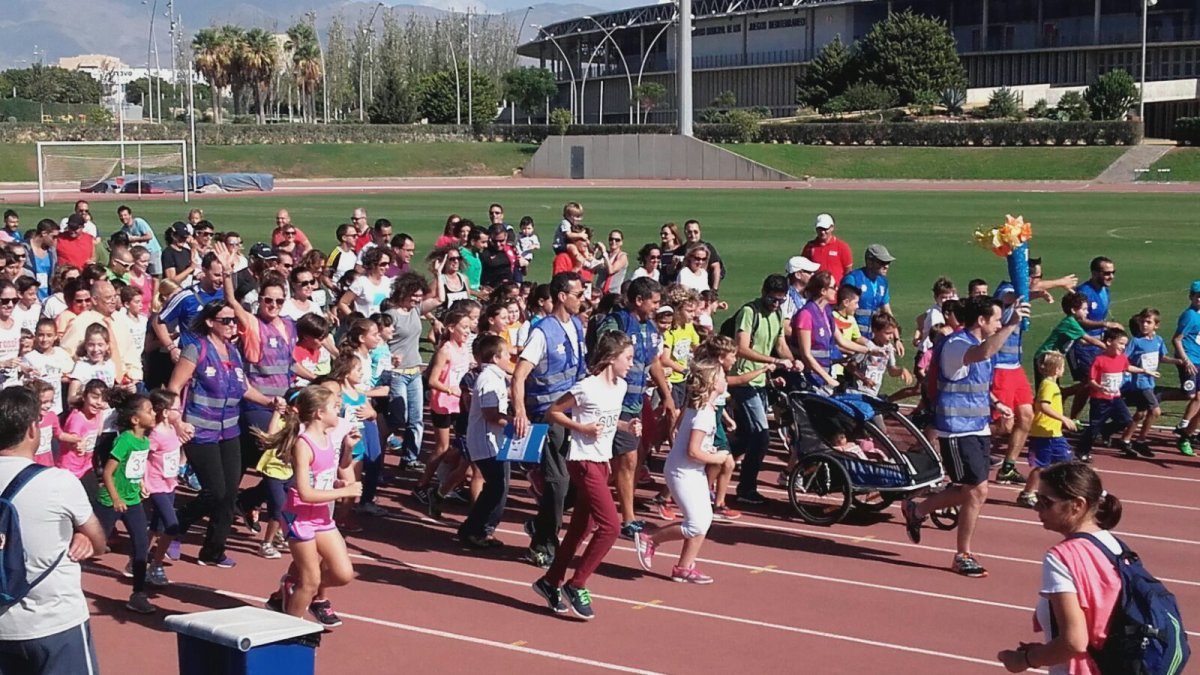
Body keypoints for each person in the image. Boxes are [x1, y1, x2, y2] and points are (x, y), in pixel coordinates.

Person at [902, 294, 1029, 578]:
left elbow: (974, 378)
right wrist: (1013, 324)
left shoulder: (977, 345)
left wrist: (996, 402)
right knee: (976, 491)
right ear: (981, 320)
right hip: (956, 428)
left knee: (970, 491)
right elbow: (982, 354)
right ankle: (962, 554)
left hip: (978, 426)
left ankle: (917, 510)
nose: (999, 325)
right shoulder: (957, 344)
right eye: (996, 320)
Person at [0, 387, 106, 674]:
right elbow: (99, 542)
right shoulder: (59, 482)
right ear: (32, 429)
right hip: (55, 622)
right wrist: (82, 534)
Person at [533, 332, 638, 620]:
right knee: (611, 527)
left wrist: (627, 426)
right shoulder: (586, 388)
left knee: (581, 528)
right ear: (612, 358)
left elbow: (608, 421)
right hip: (583, 461)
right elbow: (554, 412)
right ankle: (576, 584)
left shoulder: (620, 387)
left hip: (602, 462)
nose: (632, 363)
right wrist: (581, 429)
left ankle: (550, 581)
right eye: (628, 358)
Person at [996, 462, 1123, 675]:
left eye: (1045, 502)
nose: (1037, 507)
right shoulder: (1116, 547)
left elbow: (1074, 642)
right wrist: (1046, 650)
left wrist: (1025, 660)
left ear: (1077, 505)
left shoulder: (1061, 557)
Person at [166, 301, 263, 568]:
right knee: (215, 492)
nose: (233, 325)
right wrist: (176, 420)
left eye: (235, 321)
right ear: (210, 322)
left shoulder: (233, 351)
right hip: (199, 430)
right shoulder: (196, 349)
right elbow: (174, 387)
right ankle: (176, 523)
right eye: (227, 321)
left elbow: (245, 388)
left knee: (230, 494)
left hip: (229, 430)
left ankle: (213, 551)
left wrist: (270, 401)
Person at [262, 385, 361, 628]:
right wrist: (344, 491)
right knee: (310, 581)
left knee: (343, 574)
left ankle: (291, 588)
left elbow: (323, 475)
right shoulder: (303, 445)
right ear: (319, 413)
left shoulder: (328, 438)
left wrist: (337, 481)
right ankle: (289, 630)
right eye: (335, 408)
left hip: (322, 517)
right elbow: (305, 492)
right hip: (300, 518)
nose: (339, 412)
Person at [512, 272, 588, 568]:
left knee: (578, 483)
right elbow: (519, 375)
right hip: (547, 415)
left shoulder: (577, 326)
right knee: (557, 482)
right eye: (578, 294)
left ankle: (541, 523)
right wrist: (520, 411)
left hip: (573, 413)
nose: (583, 299)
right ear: (562, 296)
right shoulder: (542, 332)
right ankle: (543, 544)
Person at [635, 358, 732, 585]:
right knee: (695, 524)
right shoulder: (703, 414)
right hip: (683, 472)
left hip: (692, 471)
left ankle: (684, 567)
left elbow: (683, 433)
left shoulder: (701, 408)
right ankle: (651, 538)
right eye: (722, 376)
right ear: (712, 383)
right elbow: (692, 451)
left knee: (704, 519)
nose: (726, 380)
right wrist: (716, 457)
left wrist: (706, 449)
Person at [596, 277, 674, 539]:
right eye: (654, 302)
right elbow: (601, 357)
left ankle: (594, 507)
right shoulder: (616, 324)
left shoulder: (650, 328)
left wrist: (666, 395)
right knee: (626, 459)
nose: (657, 307)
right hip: (615, 402)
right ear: (639, 300)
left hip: (636, 401)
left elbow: (654, 362)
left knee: (631, 458)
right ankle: (626, 519)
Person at [730, 274, 802, 505]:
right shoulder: (749, 313)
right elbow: (741, 348)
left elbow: (780, 343)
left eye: (781, 300)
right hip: (744, 381)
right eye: (772, 299)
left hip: (761, 382)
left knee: (744, 438)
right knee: (761, 436)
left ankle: (712, 465)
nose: (776, 304)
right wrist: (773, 361)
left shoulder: (778, 314)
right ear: (763, 292)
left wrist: (793, 361)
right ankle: (746, 488)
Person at [94, 389, 158, 614]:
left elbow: (133, 468)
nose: (154, 414)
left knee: (141, 545)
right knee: (94, 545)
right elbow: (108, 473)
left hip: (132, 501)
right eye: (149, 411)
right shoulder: (125, 441)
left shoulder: (144, 441)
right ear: (135, 419)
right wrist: (115, 498)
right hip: (110, 502)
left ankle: (138, 594)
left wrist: (140, 484)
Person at [457, 334, 512, 548]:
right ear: (496, 357)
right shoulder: (489, 379)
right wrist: (514, 422)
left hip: (493, 441)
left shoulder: (496, 377)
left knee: (497, 487)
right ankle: (473, 529)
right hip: (486, 442)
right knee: (496, 487)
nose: (510, 357)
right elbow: (491, 414)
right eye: (506, 354)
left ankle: (478, 529)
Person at [385, 274, 441, 473]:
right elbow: (380, 341)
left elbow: (439, 299)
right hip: (396, 374)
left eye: (420, 295)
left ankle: (410, 458)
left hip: (414, 372)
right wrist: (389, 358)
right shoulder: (391, 315)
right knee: (398, 417)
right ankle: (383, 443)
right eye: (414, 295)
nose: (418, 299)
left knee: (416, 419)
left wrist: (438, 274)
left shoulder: (416, 310)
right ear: (403, 292)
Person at [791, 271, 878, 392]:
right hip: (809, 377)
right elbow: (806, 354)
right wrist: (828, 379)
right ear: (823, 291)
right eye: (833, 287)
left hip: (823, 375)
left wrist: (871, 350)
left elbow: (842, 341)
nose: (837, 289)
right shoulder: (806, 314)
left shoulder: (827, 311)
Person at [1077, 327, 1154, 463]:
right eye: (1121, 343)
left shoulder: (1122, 358)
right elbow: (1091, 380)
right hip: (1100, 400)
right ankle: (1082, 451)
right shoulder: (1099, 360)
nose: (1123, 347)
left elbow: (1128, 367)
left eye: (1125, 344)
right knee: (1094, 428)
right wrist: (1099, 387)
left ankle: (1105, 431)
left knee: (1126, 421)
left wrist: (1144, 371)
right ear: (1109, 342)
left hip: (1116, 398)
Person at [1017, 352, 1077, 508]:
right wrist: (1063, 419)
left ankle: (1065, 491)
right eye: (1062, 367)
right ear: (1056, 369)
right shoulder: (1048, 386)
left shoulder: (1051, 385)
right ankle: (1027, 493)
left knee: (1063, 462)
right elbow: (1043, 405)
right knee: (1043, 466)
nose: (1063, 369)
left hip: (1052, 432)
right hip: (1045, 434)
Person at [1117, 308, 1177, 457]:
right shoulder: (1136, 341)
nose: (1144, 325)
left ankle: (1125, 440)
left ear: (1156, 325)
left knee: (1141, 413)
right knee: (1155, 411)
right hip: (1140, 383)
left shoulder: (1158, 340)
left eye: (1148, 322)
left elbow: (1161, 357)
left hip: (1150, 382)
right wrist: (1129, 370)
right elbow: (1123, 359)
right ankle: (1141, 440)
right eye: (1143, 321)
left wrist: (1179, 361)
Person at [1067, 257, 1120, 420]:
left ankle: (1065, 393)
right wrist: (1105, 324)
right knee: (1088, 383)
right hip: (1081, 344)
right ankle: (1073, 419)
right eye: (1107, 273)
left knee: (1093, 382)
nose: (1111, 276)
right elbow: (1078, 320)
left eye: (1113, 272)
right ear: (1095, 273)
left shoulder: (1105, 291)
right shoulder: (1083, 293)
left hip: (1098, 344)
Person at [842, 243, 898, 343]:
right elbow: (843, 311)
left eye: (888, 263)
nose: (886, 266)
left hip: (874, 339)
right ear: (869, 262)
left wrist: (897, 338)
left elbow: (886, 310)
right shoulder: (853, 279)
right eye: (882, 262)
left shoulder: (883, 282)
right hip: (853, 338)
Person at [1172, 281, 1200, 457]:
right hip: (1190, 359)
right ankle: (1183, 426)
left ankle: (1187, 434)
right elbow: (1177, 339)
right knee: (1191, 395)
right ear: (1191, 296)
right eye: (1198, 296)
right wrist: (1185, 360)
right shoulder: (1189, 316)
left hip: (1199, 359)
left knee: (1198, 398)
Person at [337, 247, 392, 318]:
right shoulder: (361, 282)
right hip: (365, 323)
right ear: (373, 264)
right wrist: (356, 320)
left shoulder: (387, 282)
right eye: (383, 264)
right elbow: (343, 303)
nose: (387, 267)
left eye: (388, 264)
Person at [801, 213, 853, 286]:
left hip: (836, 289)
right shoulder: (810, 247)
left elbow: (848, 271)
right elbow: (804, 268)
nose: (822, 232)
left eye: (825, 229)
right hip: (816, 289)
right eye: (820, 229)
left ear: (832, 228)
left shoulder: (842, 247)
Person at [116, 205, 162, 276]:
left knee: (154, 276)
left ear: (130, 215)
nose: (123, 217)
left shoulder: (139, 222)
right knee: (142, 275)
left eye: (125, 215)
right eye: (121, 216)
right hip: (140, 256)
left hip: (152, 251)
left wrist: (134, 239)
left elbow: (149, 236)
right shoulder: (124, 230)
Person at [682, 220, 723, 291]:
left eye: (695, 232)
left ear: (700, 232)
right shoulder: (680, 250)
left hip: (704, 288)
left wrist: (714, 289)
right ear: (685, 233)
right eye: (689, 232)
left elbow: (716, 267)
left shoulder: (707, 248)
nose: (693, 235)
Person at [781, 255, 820, 330]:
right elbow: (786, 328)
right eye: (810, 272)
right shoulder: (788, 298)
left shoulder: (809, 294)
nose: (814, 275)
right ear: (798, 275)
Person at [22, 219, 58, 299]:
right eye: (53, 237)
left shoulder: (51, 251)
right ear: (44, 233)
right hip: (29, 297)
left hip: (47, 296)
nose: (55, 240)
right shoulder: (24, 249)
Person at [479, 224, 516, 289]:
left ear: (506, 236)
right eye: (494, 241)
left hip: (508, 288)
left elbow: (521, 271)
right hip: (490, 289)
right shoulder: (484, 251)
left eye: (501, 241)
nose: (498, 244)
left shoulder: (510, 250)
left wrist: (523, 264)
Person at [161, 222, 195, 286]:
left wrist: (193, 248)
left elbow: (191, 272)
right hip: (174, 290)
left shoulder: (187, 251)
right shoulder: (168, 253)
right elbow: (171, 281)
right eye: (181, 237)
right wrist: (190, 268)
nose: (183, 239)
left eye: (185, 237)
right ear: (173, 236)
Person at [459, 225, 488, 292]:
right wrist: (477, 294)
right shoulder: (461, 255)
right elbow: (456, 283)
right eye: (483, 242)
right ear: (472, 242)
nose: (486, 245)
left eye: (487, 242)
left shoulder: (476, 254)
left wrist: (481, 287)